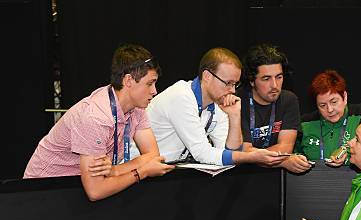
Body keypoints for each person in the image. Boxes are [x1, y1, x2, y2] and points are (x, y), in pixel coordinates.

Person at [24, 44, 174, 201]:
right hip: (44, 188)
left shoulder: (137, 108)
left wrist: (115, 171)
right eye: (149, 83)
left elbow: (152, 155)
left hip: (78, 185)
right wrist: (141, 172)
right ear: (128, 80)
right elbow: (95, 191)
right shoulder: (96, 117)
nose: (154, 91)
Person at [146, 47, 286, 167]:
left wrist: (234, 117)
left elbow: (229, 151)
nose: (232, 90)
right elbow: (202, 152)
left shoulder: (218, 102)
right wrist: (251, 157)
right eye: (228, 83)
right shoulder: (181, 96)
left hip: (168, 172)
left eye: (235, 84)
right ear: (207, 76)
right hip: (144, 172)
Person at [238, 44, 311, 174]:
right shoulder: (238, 101)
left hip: (274, 180)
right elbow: (242, 152)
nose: (275, 85)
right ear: (251, 80)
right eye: (266, 79)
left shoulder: (289, 100)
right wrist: (282, 161)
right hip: (238, 177)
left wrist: (252, 156)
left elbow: (285, 149)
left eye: (279, 77)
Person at [295, 70, 361, 167]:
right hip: (314, 180)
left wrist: (348, 155)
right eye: (322, 105)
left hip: (355, 178)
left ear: (344, 97)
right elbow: (291, 154)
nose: (330, 109)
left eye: (334, 102)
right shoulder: (305, 123)